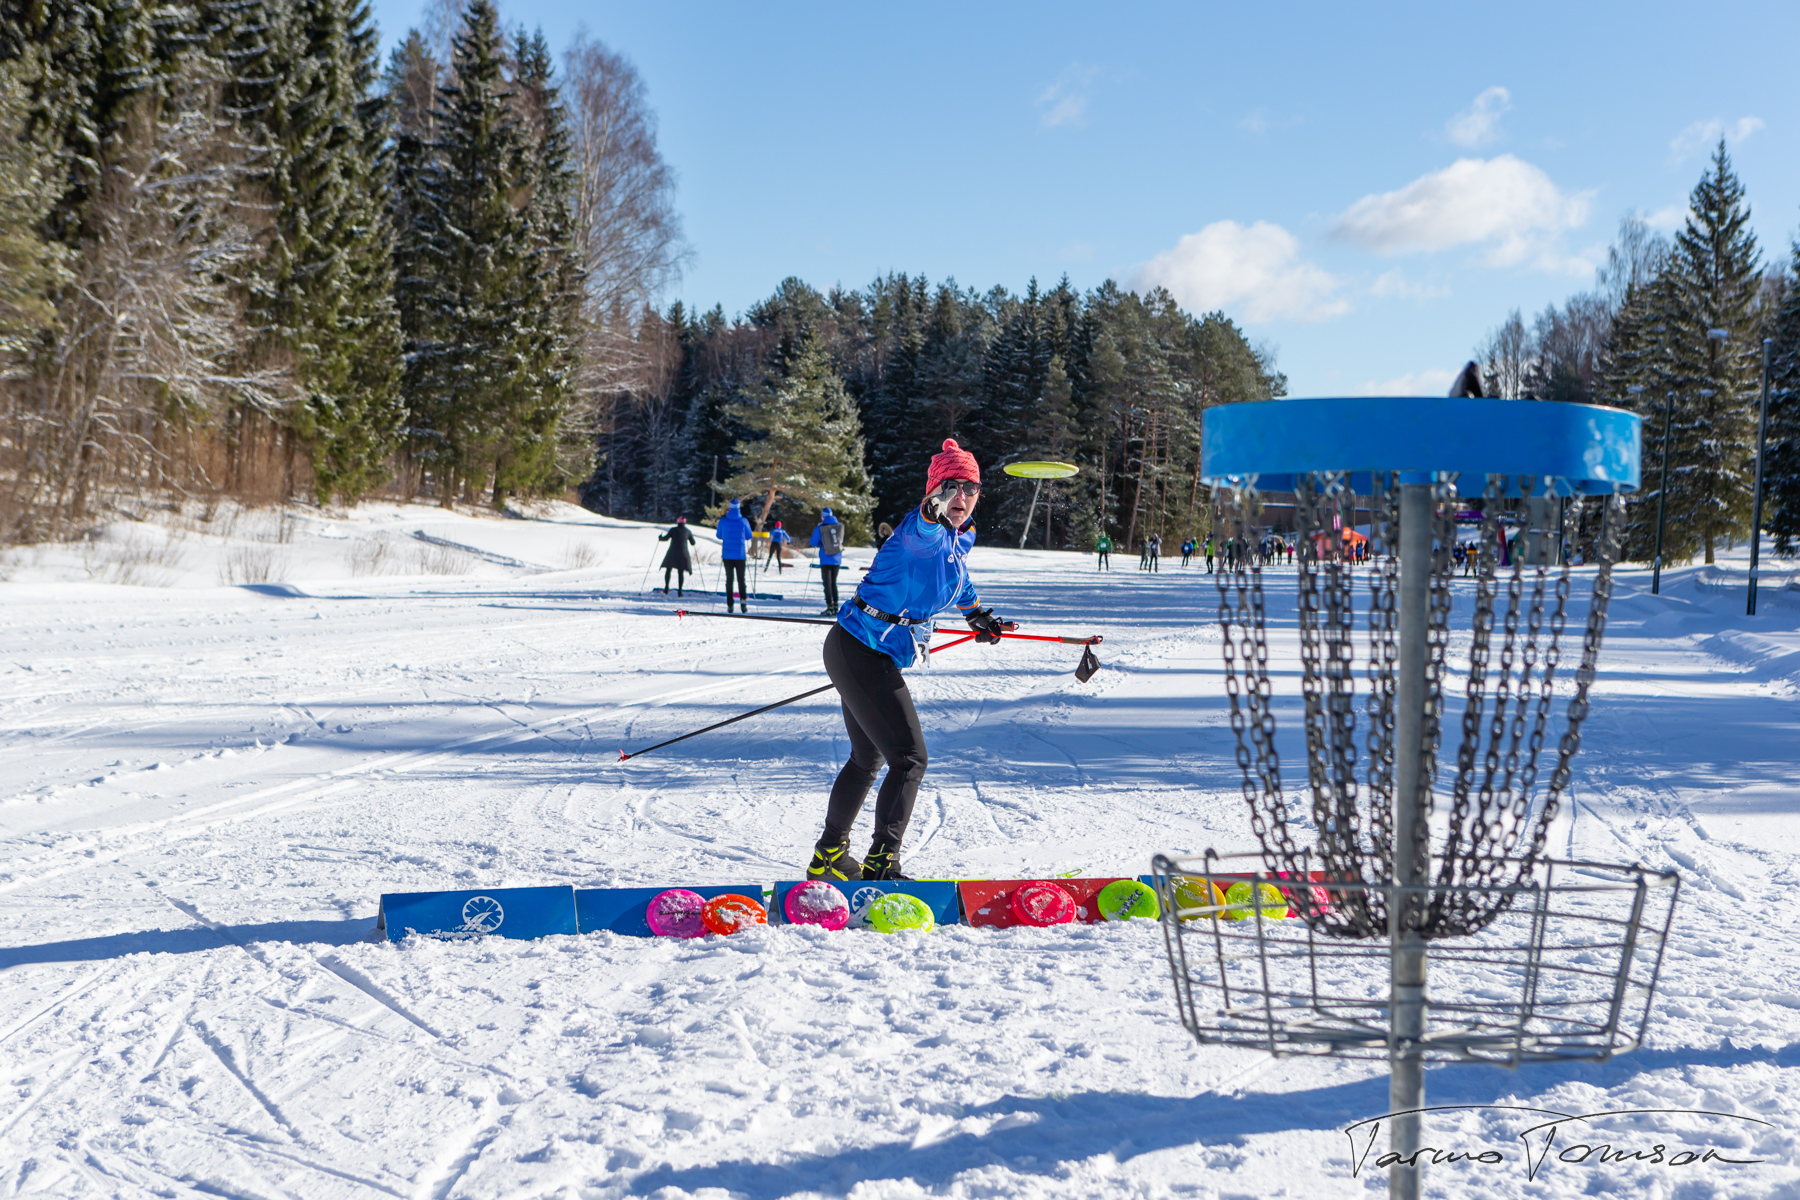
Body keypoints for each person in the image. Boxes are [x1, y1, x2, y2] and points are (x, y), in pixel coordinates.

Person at [809, 438, 1009, 883]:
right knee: (910, 758)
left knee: (867, 758)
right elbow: (925, 530)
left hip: (865, 650)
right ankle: (883, 863)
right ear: (934, 491)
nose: (961, 497)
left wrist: (976, 614)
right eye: (951, 487)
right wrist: (931, 509)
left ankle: (829, 857)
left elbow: (956, 575)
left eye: (970, 488)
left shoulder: (962, 535)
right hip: (860, 649)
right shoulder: (920, 531)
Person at [716, 500, 753, 612]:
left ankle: (730, 604)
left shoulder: (723, 521)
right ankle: (743, 601)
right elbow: (749, 536)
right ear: (739, 508)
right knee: (741, 579)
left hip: (727, 554)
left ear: (729, 508)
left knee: (729, 580)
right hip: (740, 554)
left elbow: (719, 535)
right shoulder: (744, 521)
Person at [810, 507, 845, 615]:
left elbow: (813, 542)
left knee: (827, 583)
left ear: (823, 516)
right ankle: (836, 607)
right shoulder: (839, 526)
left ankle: (829, 607)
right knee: (833, 583)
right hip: (837, 558)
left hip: (825, 558)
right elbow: (841, 540)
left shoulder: (820, 528)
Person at [658, 516, 696, 596]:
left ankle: (666, 588)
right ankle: (680, 591)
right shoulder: (688, 531)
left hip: (672, 552)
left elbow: (665, 538)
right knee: (680, 572)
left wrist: (660, 538)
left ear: (677, 522)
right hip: (683, 553)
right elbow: (693, 543)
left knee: (668, 569)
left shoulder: (673, 530)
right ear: (684, 523)